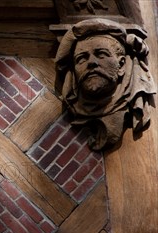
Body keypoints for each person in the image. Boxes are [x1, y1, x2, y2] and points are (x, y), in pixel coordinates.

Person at [55, 18, 156, 150]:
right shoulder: (74, 101)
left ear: (121, 65)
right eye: (81, 58)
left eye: (101, 54)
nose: (91, 62)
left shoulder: (130, 94)